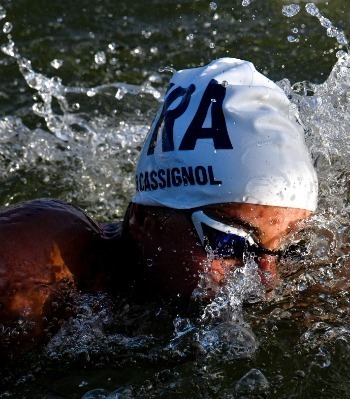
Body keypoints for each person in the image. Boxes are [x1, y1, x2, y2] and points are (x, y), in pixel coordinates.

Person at [0, 58, 319, 358]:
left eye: (290, 248)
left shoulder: (288, 279)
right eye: (230, 242)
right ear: (145, 220)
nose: (267, 283)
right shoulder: (38, 277)